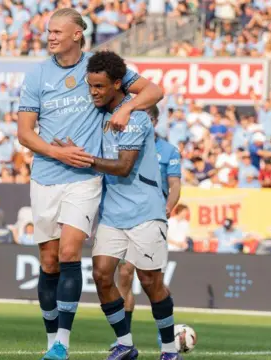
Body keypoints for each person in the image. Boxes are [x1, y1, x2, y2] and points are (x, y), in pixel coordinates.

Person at [16, 8, 163, 360]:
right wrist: (56, 152)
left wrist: (126, 109)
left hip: (84, 178)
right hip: (46, 176)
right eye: (49, 31)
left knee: (69, 254)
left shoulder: (98, 68)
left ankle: (62, 344)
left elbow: (154, 91)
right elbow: (24, 133)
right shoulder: (37, 75)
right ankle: (52, 338)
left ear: (77, 35)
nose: (50, 37)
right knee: (49, 261)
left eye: (56, 32)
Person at [52, 51, 179, 360]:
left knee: (151, 282)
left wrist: (81, 158)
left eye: (99, 87)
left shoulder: (135, 117)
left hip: (146, 212)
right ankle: (125, 343)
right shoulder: (99, 115)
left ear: (117, 84)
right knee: (102, 274)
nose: (93, 92)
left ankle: (170, 349)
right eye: (90, 86)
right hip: (112, 213)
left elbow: (123, 167)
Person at [113, 104, 182, 346]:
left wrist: (168, 206)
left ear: (153, 121)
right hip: (126, 217)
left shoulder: (168, 151)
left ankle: (165, 330)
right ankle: (124, 338)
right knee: (124, 273)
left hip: (153, 217)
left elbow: (174, 185)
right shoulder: (123, 145)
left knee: (152, 281)